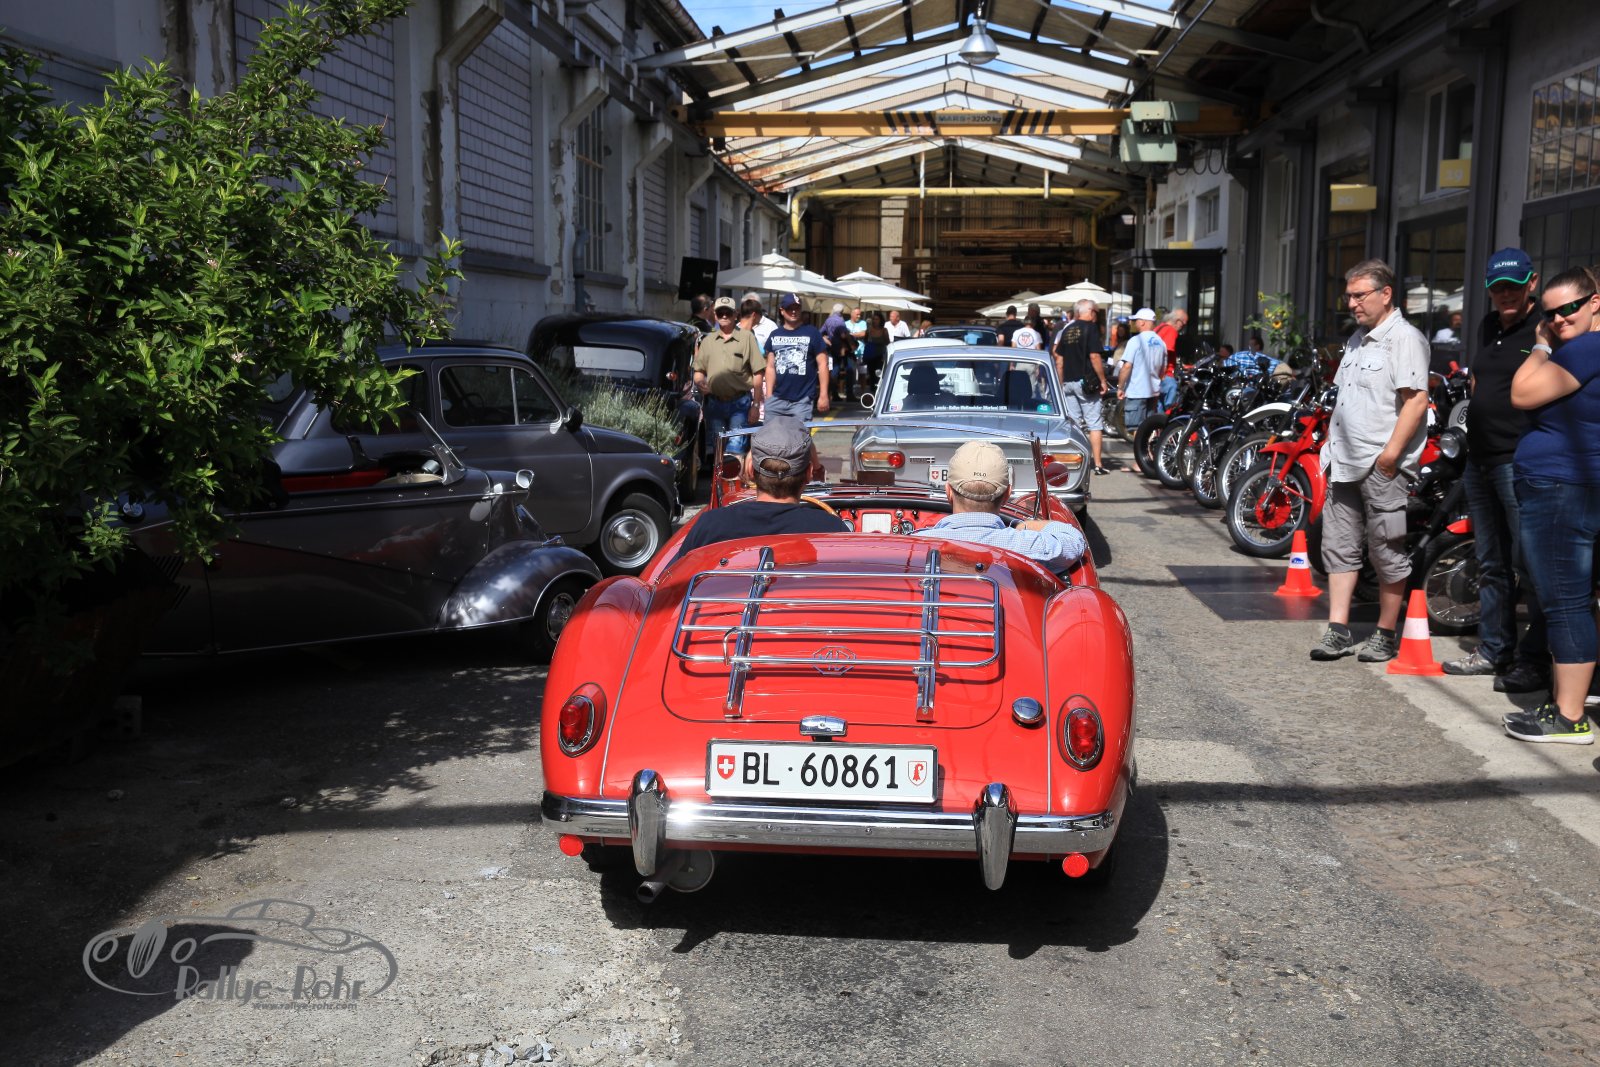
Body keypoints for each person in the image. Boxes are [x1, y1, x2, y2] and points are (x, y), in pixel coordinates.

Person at [1309, 259, 1430, 663]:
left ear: (1386, 293)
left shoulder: (1405, 339)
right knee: (1338, 547)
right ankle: (1338, 629)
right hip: (1344, 462)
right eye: (1349, 296)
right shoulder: (1358, 339)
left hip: (1381, 467)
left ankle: (1385, 633)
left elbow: (1416, 401)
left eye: (1359, 295)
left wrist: (1390, 457)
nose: (1352, 304)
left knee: (1386, 550)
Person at [1441, 248, 1548, 691]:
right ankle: (1494, 650)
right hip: (1480, 460)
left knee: (1532, 566)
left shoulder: (1545, 327)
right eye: (1497, 287)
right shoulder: (1488, 325)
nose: (1505, 294)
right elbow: (1478, 381)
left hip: (1519, 462)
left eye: (1514, 286)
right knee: (1491, 563)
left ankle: (1536, 661)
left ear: (1532, 283)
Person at [1501, 267, 1600, 744]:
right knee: (1577, 599)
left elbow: (1521, 392)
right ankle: (1570, 699)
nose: (1559, 319)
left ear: (1595, 302)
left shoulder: (1585, 348)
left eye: (1569, 309)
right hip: (1574, 485)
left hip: (1562, 487)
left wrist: (1540, 345)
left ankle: (1569, 717)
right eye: (1551, 313)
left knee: (1564, 602)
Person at [674, 418, 846, 560]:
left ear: (750, 470)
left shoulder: (710, 525)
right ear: (808, 473)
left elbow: (670, 581)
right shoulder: (832, 529)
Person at [912, 441, 1087, 571]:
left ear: (948, 491)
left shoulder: (914, 545)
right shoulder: (1025, 544)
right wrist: (1027, 526)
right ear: (1007, 495)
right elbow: (1074, 541)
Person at [692, 296, 765, 456]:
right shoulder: (708, 341)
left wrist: (755, 405)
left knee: (735, 449)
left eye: (728, 312)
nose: (724, 316)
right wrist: (700, 382)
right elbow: (698, 371)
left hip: (739, 403)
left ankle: (734, 472)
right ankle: (719, 473)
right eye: (720, 313)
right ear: (715, 315)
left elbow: (758, 372)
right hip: (714, 403)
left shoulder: (747, 338)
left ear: (735, 314)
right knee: (717, 450)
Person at [1054, 298, 1110, 474]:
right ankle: (1098, 464)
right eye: (1096, 312)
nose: (1096, 316)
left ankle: (1075, 463)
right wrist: (1102, 380)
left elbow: (1059, 359)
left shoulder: (1067, 329)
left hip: (1068, 382)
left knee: (1074, 424)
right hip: (1086, 383)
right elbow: (1094, 356)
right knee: (1094, 424)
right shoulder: (1090, 328)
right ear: (1090, 312)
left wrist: (1060, 383)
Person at [763, 293, 830, 421]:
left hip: (802, 401)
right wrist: (769, 396)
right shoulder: (774, 335)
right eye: (789, 308)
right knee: (772, 433)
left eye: (797, 308)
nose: (793, 311)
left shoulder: (812, 333)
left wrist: (823, 395)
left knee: (800, 434)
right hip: (776, 400)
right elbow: (770, 367)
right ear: (782, 311)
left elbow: (823, 364)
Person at [1117, 307, 1165, 430]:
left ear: (1142, 322)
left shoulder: (1135, 341)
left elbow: (1127, 366)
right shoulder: (1161, 342)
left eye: (1136, 320)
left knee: (1136, 429)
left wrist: (1120, 387)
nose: (1135, 323)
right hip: (1153, 391)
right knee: (1149, 429)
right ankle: (1148, 444)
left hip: (1137, 391)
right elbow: (1162, 370)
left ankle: (1139, 443)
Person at [1156, 308, 1188, 408]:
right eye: (1183, 324)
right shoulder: (1171, 331)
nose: (1182, 327)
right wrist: (1162, 374)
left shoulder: (1160, 327)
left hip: (1155, 373)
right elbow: (1164, 353)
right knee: (1169, 405)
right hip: (1165, 373)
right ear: (1177, 321)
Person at [820, 303, 852, 403]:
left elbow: (820, 332)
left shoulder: (828, 320)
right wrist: (849, 339)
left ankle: (832, 393)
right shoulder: (840, 321)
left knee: (833, 369)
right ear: (842, 311)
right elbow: (843, 336)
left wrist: (827, 340)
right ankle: (842, 394)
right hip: (840, 348)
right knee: (841, 370)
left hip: (830, 348)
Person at [863, 311, 889, 396]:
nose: (875, 321)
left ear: (881, 320)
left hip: (880, 356)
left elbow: (887, 343)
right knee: (871, 375)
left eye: (877, 319)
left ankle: (879, 391)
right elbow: (865, 341)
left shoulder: (884, 330)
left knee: (879, 373)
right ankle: (873, 392)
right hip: (871, 356)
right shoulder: (869, 330)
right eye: (873, 319)